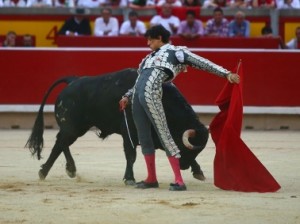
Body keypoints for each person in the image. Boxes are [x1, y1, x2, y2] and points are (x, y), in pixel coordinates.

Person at [119, 25, 240, 191]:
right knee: (144, 137)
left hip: (151, 94)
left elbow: (203, 63)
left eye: (150, 40)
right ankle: (151, 178)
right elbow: (139, 82)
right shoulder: (147, 58)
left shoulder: (176, 52)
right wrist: (127, 95)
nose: (148, 43)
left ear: (160, 38)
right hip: (137, 98)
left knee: (164, 133)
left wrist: (226, 74)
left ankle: (179, 180)